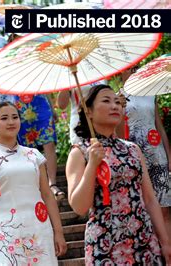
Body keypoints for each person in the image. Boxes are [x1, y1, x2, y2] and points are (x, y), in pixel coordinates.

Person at [66, 85, 171, 264]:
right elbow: (79, 207)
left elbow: (150, 199)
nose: (115, 106)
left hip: (143, 239)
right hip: (105, 242)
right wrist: (92, 164)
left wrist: (165, 242)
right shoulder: (80, 152)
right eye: (106, 101)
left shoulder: (133, 149)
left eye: (117, 102)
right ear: (88, 111)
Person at [0, 101, 67, 265]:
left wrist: (58, 232)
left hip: (39, 224)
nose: (11, 122)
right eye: (4, 118)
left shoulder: (34, 155)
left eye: (15, 117)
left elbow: (46, 194)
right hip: (8, 229)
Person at [116, 67, 171, 241]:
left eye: (135, 68)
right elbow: (116, 130)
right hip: (134, 155)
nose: (133, 71)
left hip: (157, 154)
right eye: (129, 69)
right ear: (121, 73)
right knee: (142, 207)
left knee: (165, 207)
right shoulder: (118, 97)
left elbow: (159, 126)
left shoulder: (150, 94)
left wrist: (169, 154)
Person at [12, 94, 63, 199]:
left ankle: (52, 183)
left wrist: (52, 108)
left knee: (49, 142)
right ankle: (34, 184)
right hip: (19, 106)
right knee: (26, 147)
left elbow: (44, 87)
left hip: (41, 103)